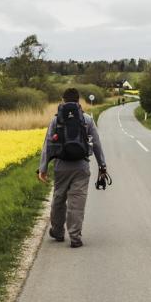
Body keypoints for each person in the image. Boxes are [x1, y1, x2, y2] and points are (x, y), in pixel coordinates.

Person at [38, 87, 107, 248]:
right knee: (77, 201)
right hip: (81, 166)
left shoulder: (56, 120)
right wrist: (102, 166)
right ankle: (75, 237)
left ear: (63, 100)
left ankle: (58, 232)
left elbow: (47, 144)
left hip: (61, 166)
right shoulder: (87, 119)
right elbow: (96, 144)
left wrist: (43, 168)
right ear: (78, 101)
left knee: (59, 198)